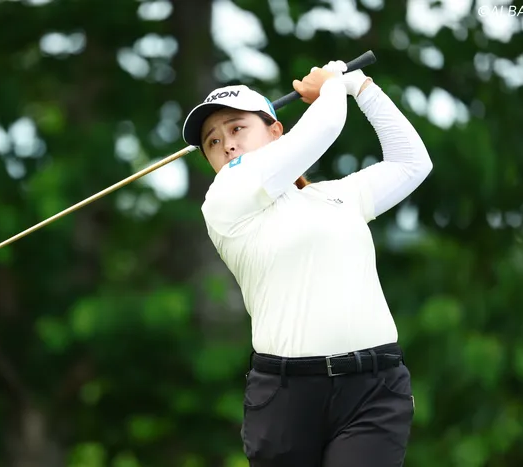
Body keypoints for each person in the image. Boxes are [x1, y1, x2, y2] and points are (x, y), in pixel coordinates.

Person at [181, 60, 433, 467]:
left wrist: (362, 87)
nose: (226, 144)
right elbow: (326, 125)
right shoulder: (225, 197)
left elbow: (412, 164)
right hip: (286, 397)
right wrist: (331, 85)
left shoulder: (336, 196)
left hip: (373, 390)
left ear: (275, 131)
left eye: (237, 128)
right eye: (212, 141)